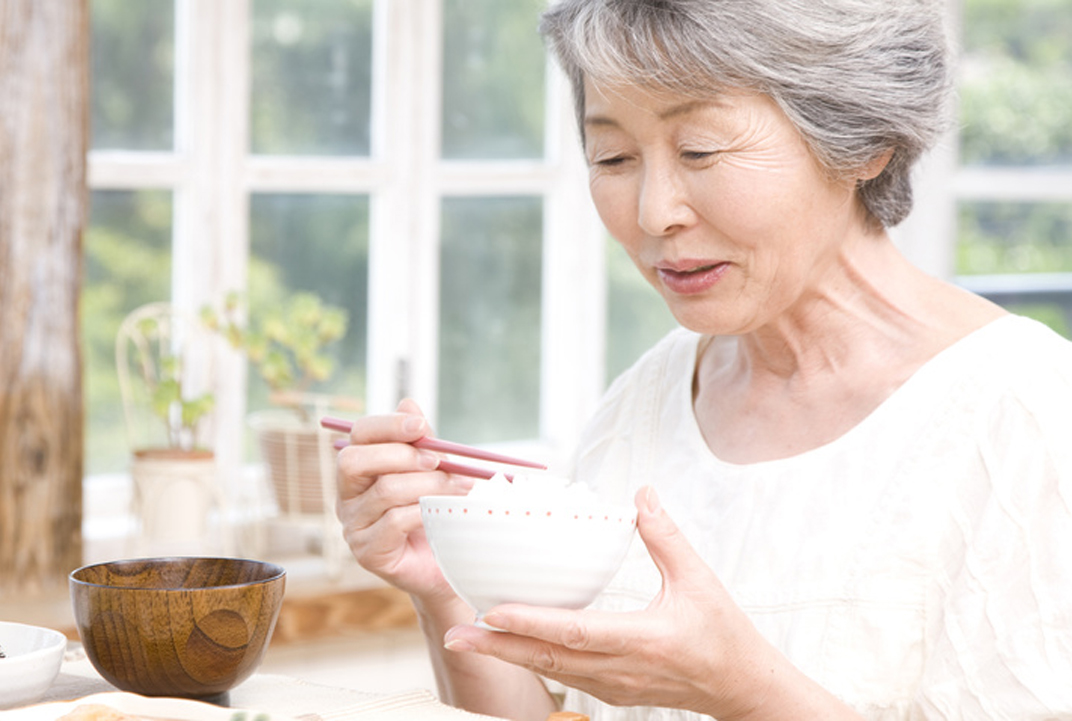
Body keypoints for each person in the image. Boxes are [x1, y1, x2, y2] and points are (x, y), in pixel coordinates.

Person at [333, 0, 1072, 718]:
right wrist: (449, 585)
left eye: (700, 151)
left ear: (862, 141)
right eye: (613, 156)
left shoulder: (1029, 414)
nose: (655, 212)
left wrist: (743, 691)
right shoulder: (647, 399)